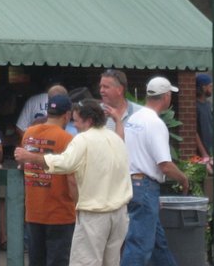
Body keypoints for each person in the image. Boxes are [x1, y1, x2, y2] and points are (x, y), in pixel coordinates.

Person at [16, 99, 132, 266]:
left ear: (89, 121)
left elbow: (65, 164)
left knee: (85, 262)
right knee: (111, 261)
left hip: (94, 213)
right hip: (119, 214)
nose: (74, 125)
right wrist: (119, 122)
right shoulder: (115, 139)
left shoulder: (82, 139)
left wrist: (30, 157)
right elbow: (121, 139)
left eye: (77, 121)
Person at [120, 77, 189, 266]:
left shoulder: (133, 118)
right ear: (166, 96)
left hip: (131, 183)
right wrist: (183, 179)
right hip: (145, 187)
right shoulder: (156, 124)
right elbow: (164, 164)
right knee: (139, 247)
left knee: (158, 245)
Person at [19, 93, 77, 266]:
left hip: (33, 211)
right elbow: (72, 179)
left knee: (36, 261)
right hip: (60, 213)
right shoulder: (67, 139)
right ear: (67, 115)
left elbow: (24, 166)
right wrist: (78, 205)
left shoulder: (28, 133)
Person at [99, 69, 141, 139]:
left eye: (106, 87)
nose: (101, 90)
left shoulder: (139, 113)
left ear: (119, 90)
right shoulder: (95, 112)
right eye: (100, 87)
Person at [195, 73, 214, 161]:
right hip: (201, 153)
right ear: (203, 87)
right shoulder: (196, 106)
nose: (212, 89)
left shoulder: (208, 105)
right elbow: (195, 132)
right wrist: (204, 153)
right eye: (210, 86)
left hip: (210, 149)